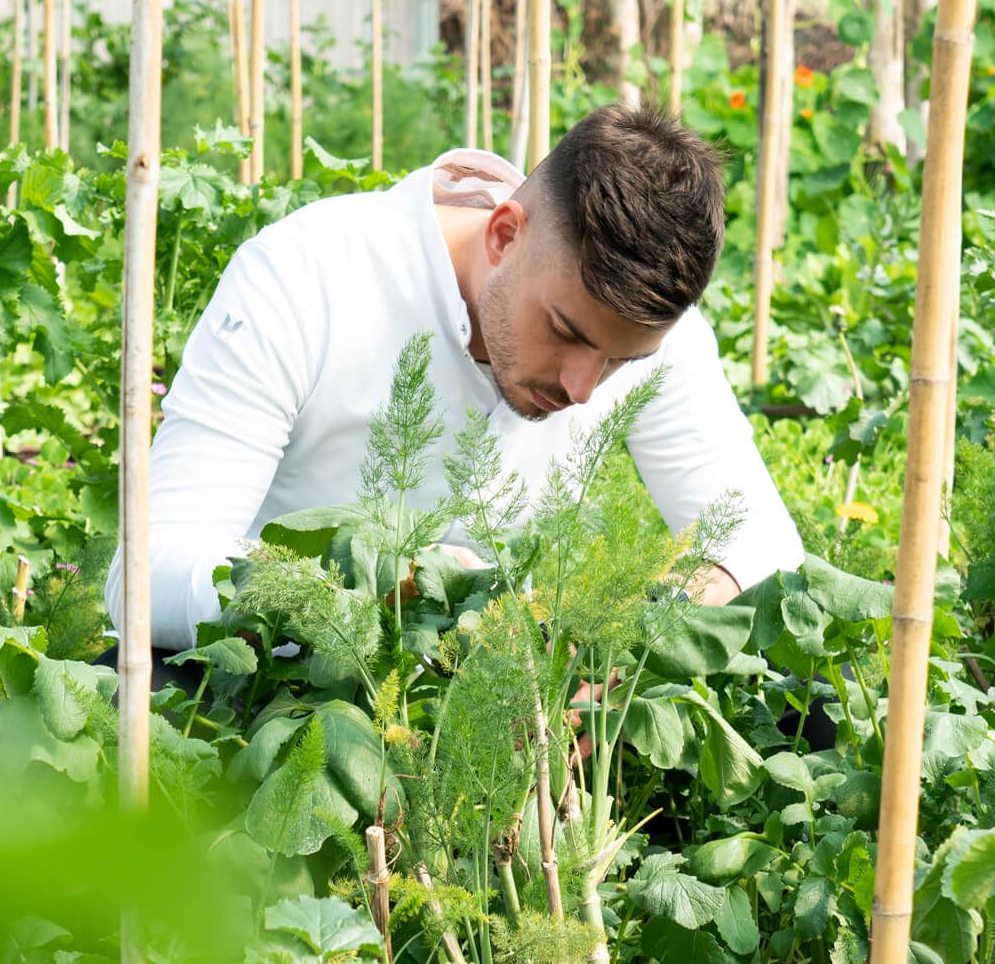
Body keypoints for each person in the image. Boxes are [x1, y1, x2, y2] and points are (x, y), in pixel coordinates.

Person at [104, 104, 806, 673]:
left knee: (800, 694)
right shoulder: (306, 275)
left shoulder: (636, 324)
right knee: (139, 694)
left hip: (499, 703)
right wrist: (379, 582)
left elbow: (762, 545)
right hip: (291, 678)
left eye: (623, 361)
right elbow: (147, 572)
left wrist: (632, 642)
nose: (583, 387)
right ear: (505, 233)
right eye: (565, 332)